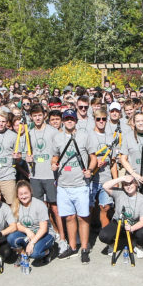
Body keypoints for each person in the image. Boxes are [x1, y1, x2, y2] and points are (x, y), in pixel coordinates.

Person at [51, 109, 95, 260]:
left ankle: (84, 248)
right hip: (63, 185)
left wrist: (90, 169)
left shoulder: (84, 136)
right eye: (66, 119)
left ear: (76, 120)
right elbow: (55, 156)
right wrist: (53, 164)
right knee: (69, 217)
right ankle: (72, 246)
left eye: (72, 118)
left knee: (83, 217)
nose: (69, 121)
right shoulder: (57, 137)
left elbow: (93, 157)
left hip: (80, 184)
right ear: (63, 121)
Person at [100, 174, 143, 258]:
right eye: (125, 185)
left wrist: (132, 228)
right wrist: (121, 178)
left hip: (134, 225)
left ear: (136, 184)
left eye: (131, 183)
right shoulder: (119, 193)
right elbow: (105, 186)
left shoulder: (142, 199)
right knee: (103, 235)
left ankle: (138, 245)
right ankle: (112, 244)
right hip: (119, 223)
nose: (128, 186)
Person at [8, 180, 56, 262]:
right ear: (17, 195)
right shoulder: (16, 206)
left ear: (30, 192)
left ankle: (49, 251)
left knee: (35, 254)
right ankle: (23, 255)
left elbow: (43, 229)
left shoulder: (39, 205)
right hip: (29, 234)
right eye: (21, 194)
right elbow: (17, 224)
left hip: (44, 234)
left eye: (26, 193)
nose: (23, 196)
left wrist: (32, 243)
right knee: (11, 238)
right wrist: (27, 231)